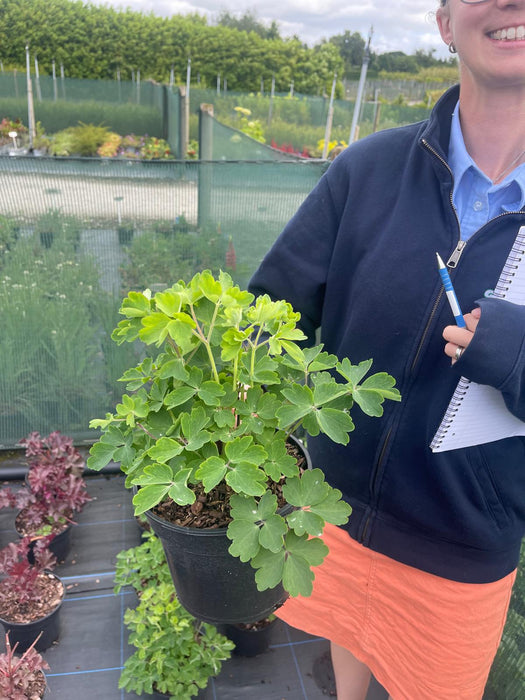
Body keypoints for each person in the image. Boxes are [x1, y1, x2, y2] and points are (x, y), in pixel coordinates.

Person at [248, 1, 525, 698]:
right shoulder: (367, 168)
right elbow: (272, 310)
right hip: (331, 509)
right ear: (442, 22)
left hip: (456, 545)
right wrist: (233, 378)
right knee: (347, 644)